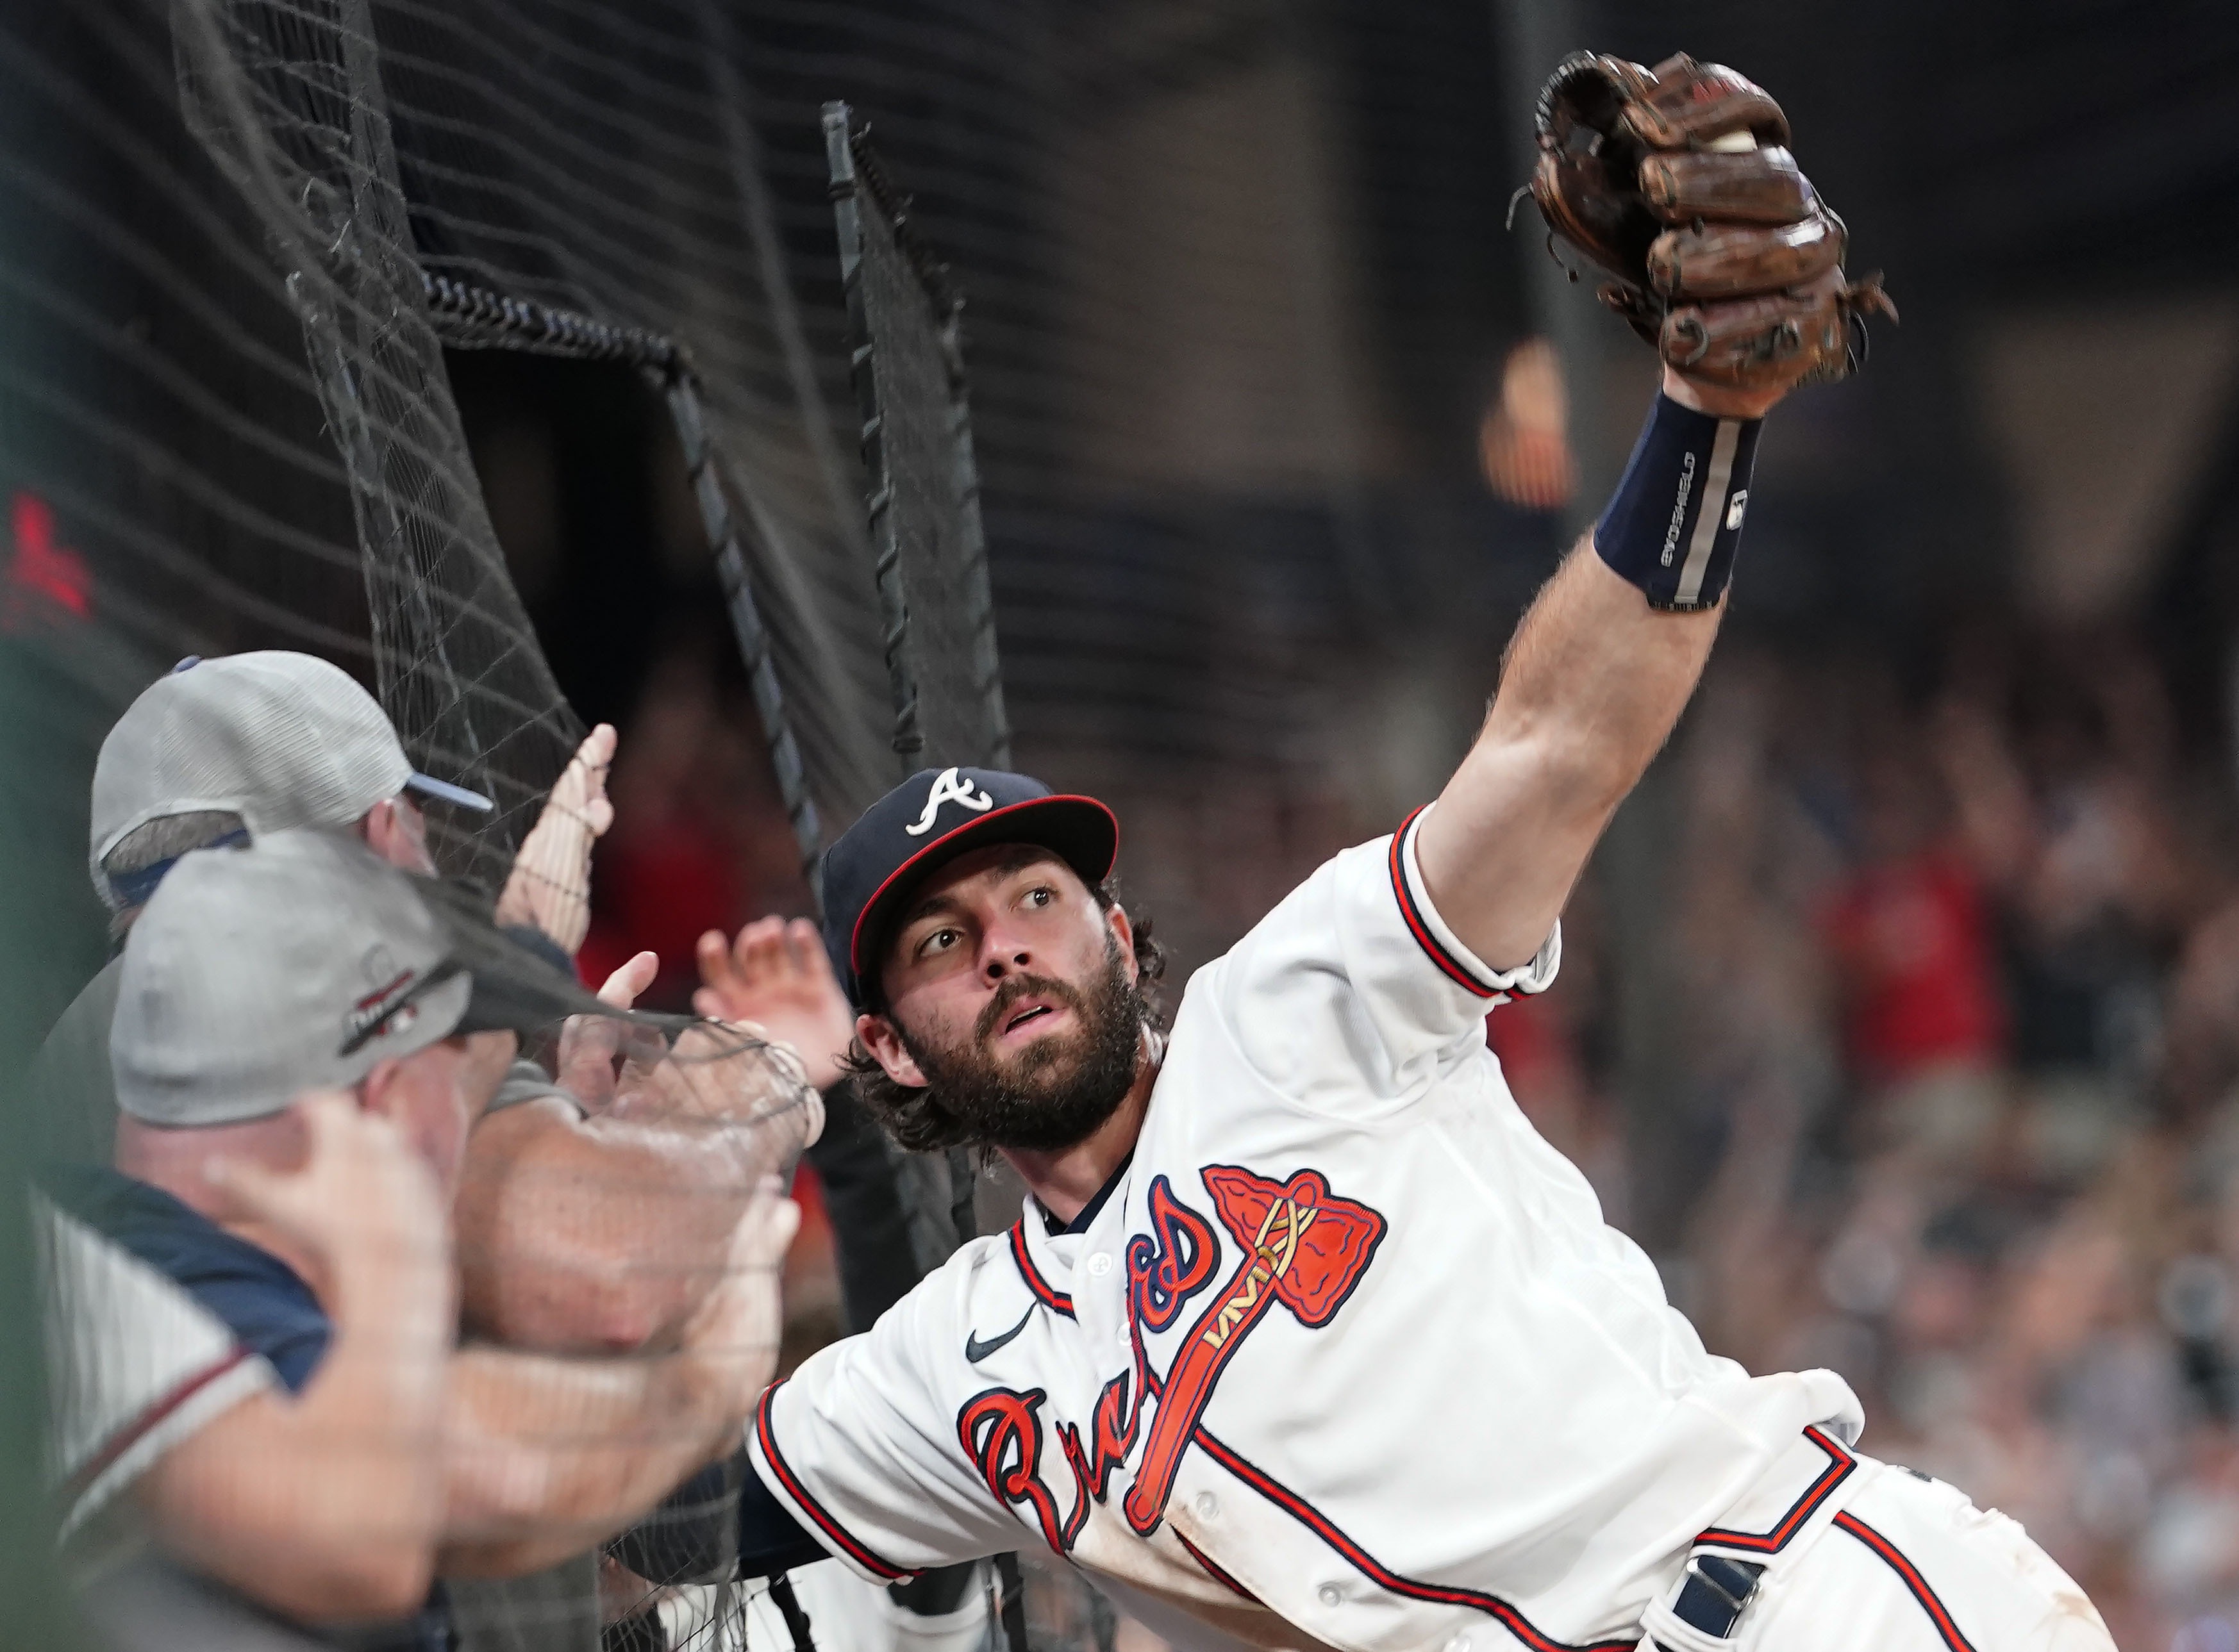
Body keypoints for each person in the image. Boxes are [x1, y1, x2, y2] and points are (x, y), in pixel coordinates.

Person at [645, 370, 2118, 1652]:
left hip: (1791, 1604)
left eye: (1039, 896)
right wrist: (683, 1148)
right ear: (887, 1046)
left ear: (1120, 932)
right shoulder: (957, 1365)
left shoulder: (1293, 1008)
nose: (1008, 950)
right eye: (942, 939)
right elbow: (655, 1518)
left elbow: (1553, 749)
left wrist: (1706, 421)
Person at [40, 828, 808, 1648]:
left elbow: (479, 1470)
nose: (484, 1123)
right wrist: (705, 1376)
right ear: (383, 1097)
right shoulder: (96, 1292)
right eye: (476, 1073)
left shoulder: (152, 1253)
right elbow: (436, 1496)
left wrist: (574, 1117)